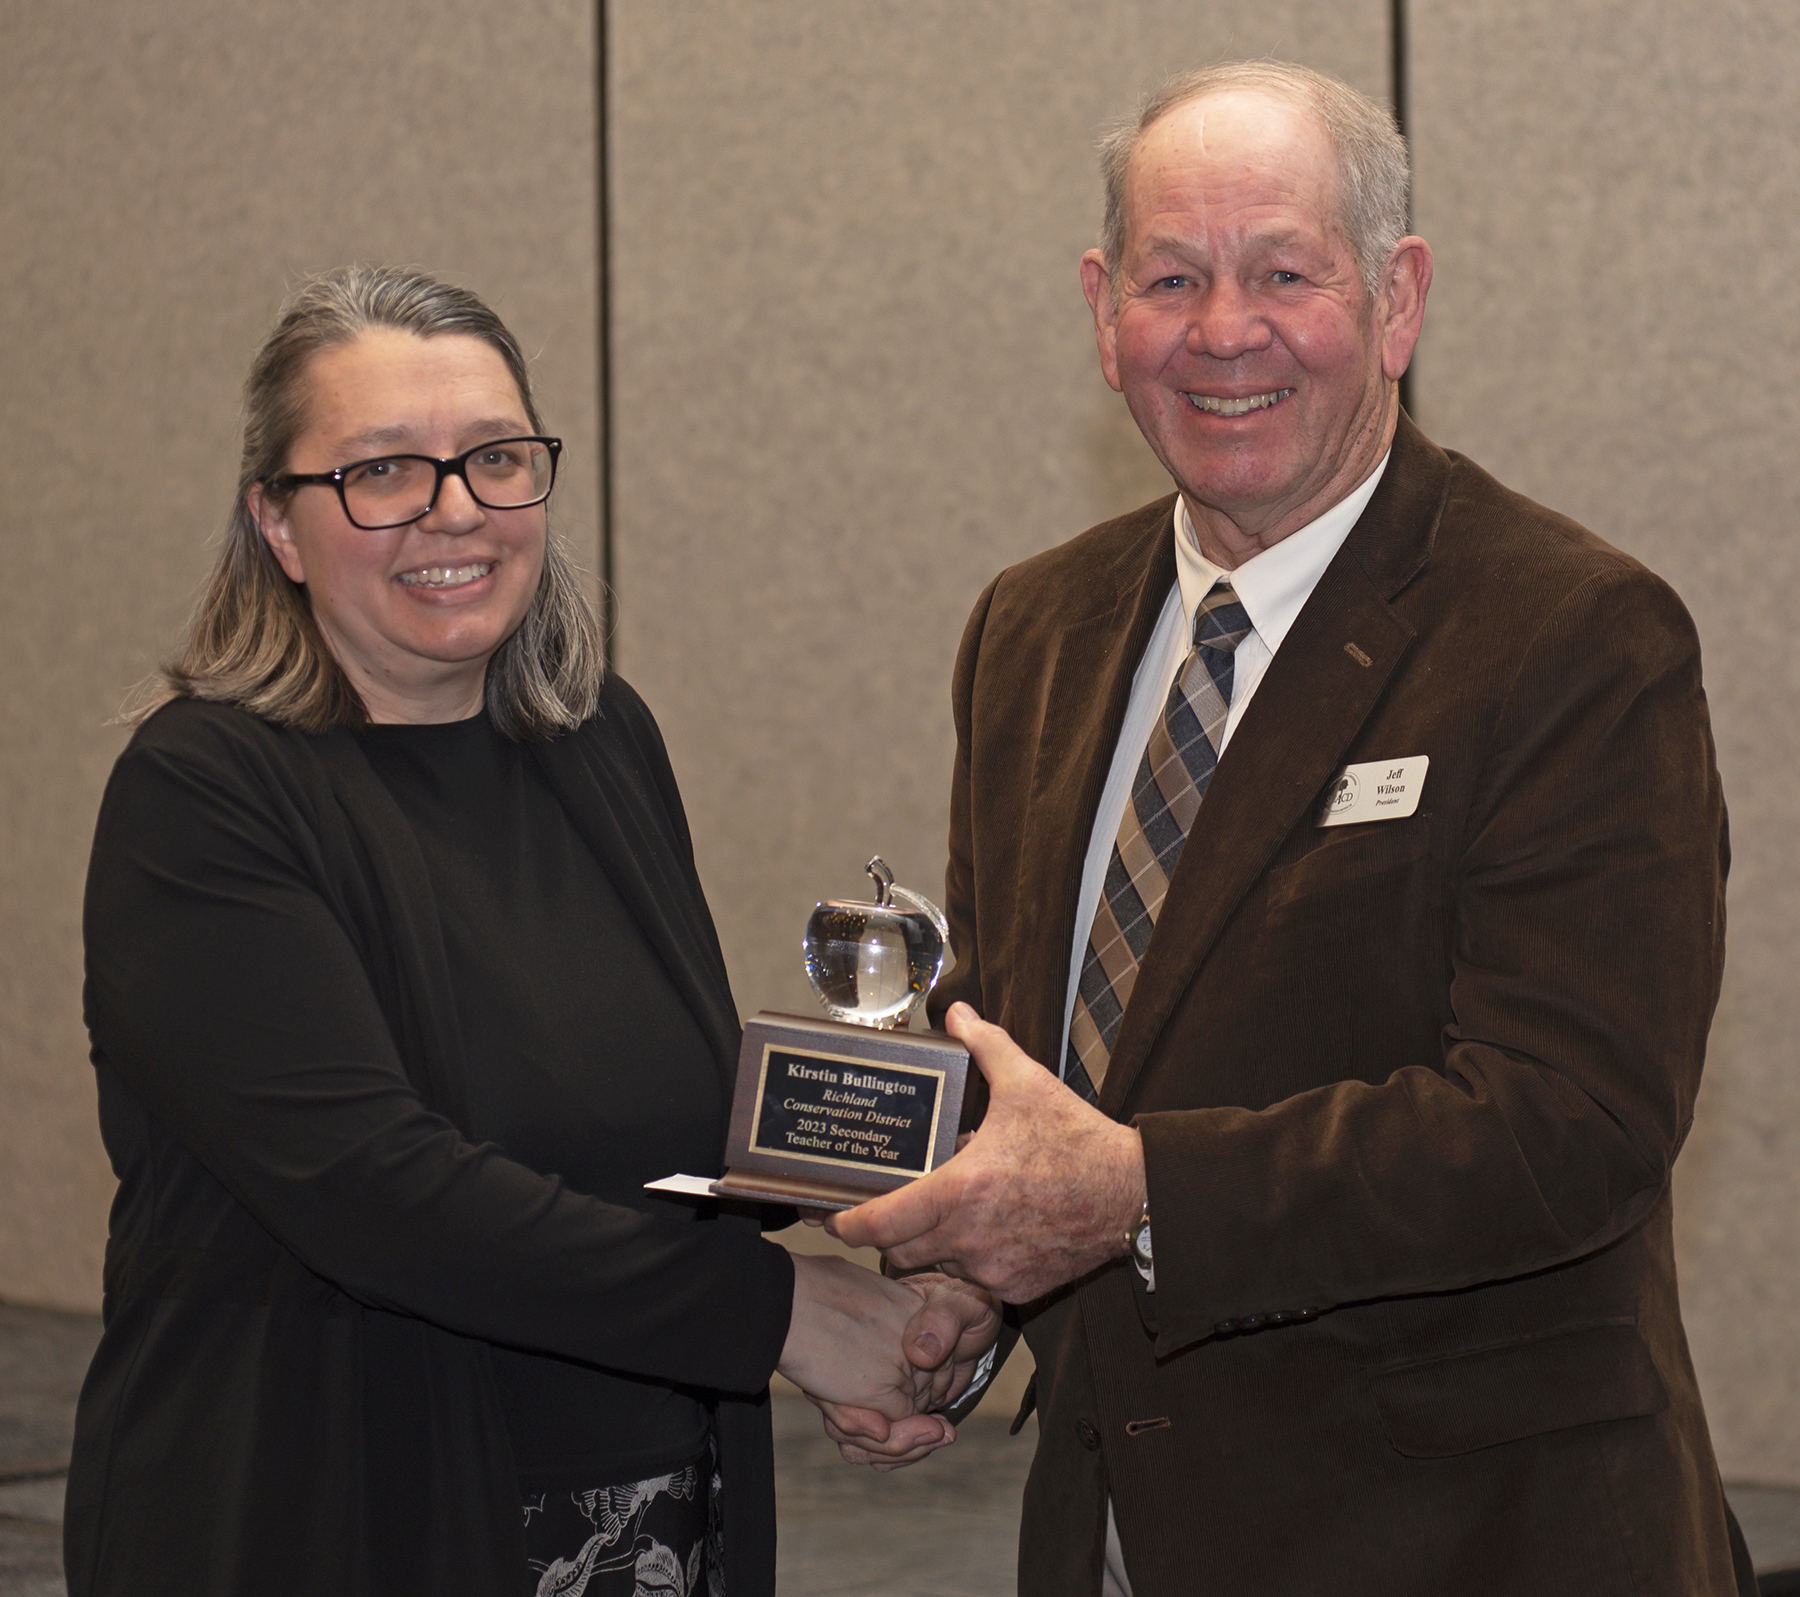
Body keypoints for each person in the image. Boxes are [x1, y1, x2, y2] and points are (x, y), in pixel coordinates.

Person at [830, 61, 1756, 1596]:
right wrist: (969, 1277)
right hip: (1120, 1532)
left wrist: (1129, 1195)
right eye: (1170, 277)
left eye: (1284, 273)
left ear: (1397, 301)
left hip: (1470, 1544)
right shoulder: (1031, 631)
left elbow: (1570, 1120)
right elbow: (1029, 1069)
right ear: (1099, 307)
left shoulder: (1572, 635)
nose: (1223, 331)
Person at [69, 264, 997, 1597]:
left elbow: (660, 1119)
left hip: (650, 1527)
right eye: (381, 472)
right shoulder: (205, 791)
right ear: (278, 523)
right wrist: (791, 1315)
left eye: (496, 459)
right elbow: (374, 1188)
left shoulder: (597, 738)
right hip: (336, 1523)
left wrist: (941, 1208)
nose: (456, 513)